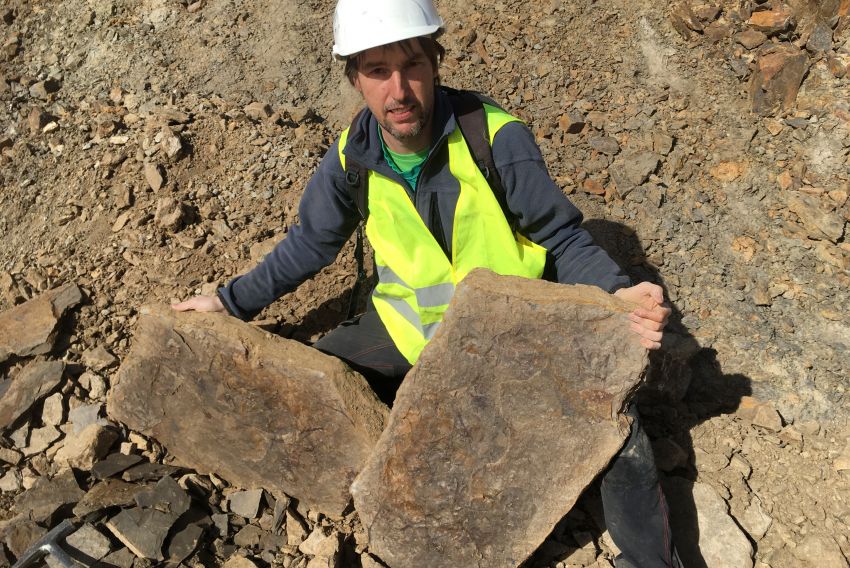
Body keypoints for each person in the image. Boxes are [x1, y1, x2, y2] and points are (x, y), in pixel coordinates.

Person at [174, 1, 681, 566]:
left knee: (620, 437)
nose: (399, 90)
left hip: (511, 340)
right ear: (354, 78)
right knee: (319, 381)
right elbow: (309, 245)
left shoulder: (495, 139)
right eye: (377, 70)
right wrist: (228, 302)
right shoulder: (351, 159)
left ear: (436, 62)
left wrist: (617, 294)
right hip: (406, 330)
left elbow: (561, 238)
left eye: (412, 64)